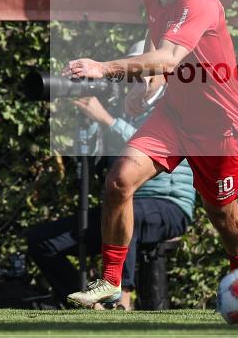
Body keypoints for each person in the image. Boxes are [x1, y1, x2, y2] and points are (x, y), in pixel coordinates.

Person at [64, 0, 238, 308]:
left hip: (220, 128)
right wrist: (146, 85)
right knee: (119, 182)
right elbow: (157, 50)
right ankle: (112, 282)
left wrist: (104, 69)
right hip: (174, 118)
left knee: (223, 215)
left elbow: (168, 57)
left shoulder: (200, 1)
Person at [25, 42, 195, 309]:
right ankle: (90, 306)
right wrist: (89, 126)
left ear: (165, 73)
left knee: (129, 214)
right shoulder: (122, 109)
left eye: (144, 68)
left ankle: (121, 300)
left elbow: (152, 147)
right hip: (125, 204)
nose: (137, 76)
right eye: (133, 69)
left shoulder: (178, 104)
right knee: (41, 241)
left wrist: (107, 121)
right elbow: (97, 164)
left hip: (169, 205)